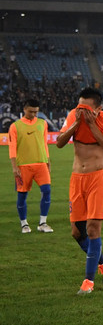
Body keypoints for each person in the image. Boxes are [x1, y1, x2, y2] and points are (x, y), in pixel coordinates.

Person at [55, 87, 103, 294]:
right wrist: (76, 123)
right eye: (79, 106)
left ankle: (88, 281)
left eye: (86, 108)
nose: (81, 111)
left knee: (92, 229)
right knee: (76, 232)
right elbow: (60, 143)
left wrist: (90, 123)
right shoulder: (74, 115)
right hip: (76, 179)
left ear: (98, 109)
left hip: (98, 178)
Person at [9, 98, 53, 234]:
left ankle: (43, 223)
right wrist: (14, 166)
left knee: (46, 191)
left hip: (41, 164)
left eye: (36, 112)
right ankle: (24, 224)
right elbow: (12, 147)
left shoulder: (43, 123)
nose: (34, 114)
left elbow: (44, 143)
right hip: (23, 166)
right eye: (31, 111)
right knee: (22, 196)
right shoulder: (15, 126)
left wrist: (48, 160)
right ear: (24, 109)